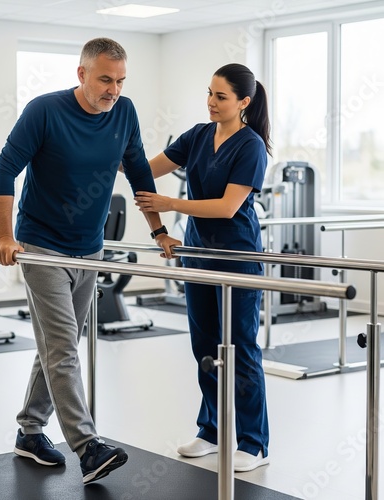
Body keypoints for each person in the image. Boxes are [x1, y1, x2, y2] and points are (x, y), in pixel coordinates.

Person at [0, 37, 180, 484]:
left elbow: (138, 174)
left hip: (90, 250)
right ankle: (87, 447)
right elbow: (4, 168)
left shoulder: (125, 112)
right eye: (105, 79)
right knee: (62, 349)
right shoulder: (45, 111)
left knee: (60, 348)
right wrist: (3, 235)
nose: (113, 89)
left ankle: (29, 431)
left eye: (120, 81)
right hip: (42, 248)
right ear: (81, 74)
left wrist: (158, 229)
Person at [134, 63, 271, 472]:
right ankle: (211, 431)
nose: (211, 102)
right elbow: (145, 168)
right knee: (205, 347)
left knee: (241, 348)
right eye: (209, 93)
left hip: (236, 257)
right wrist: (110, 146)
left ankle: (253, 441)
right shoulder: (197, 135)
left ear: (243, 102)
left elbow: (227, 207)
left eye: (221, 96)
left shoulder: (251, 146)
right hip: (197, 254)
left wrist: (170, 205)